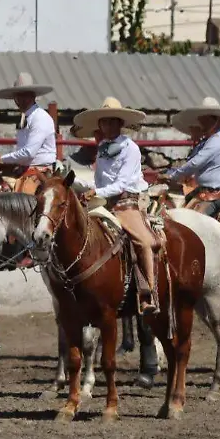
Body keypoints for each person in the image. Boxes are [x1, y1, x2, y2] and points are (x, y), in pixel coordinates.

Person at [71, 97, 161, 315]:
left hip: (129, 200)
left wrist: (97, 192)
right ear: (100, 125)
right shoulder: (102, 147)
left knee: (143, 240)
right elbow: (101, 181)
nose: (108, 126)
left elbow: (121, 184)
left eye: (112, 122)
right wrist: (79, 184)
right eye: (104, 122)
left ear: (120, 124)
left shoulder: (131, 148)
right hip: (108, 199)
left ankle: (148, 293)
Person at [161, 96, 220, 219]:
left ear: (216, 120)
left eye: (204, 120)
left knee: (190, 223)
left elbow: (195, 163)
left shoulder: (217, 140)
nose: (201, 123)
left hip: (214, 195)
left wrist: (173, 177)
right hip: (210, 191)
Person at [0, 72, 58, 194]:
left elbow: (28, 153)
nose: (20, 100)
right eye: (18, 96)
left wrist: (2, 159)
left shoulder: (39, 118)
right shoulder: (27, 117)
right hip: (25, 168)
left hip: (39, 172)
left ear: (32, 96)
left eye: (24, 96)